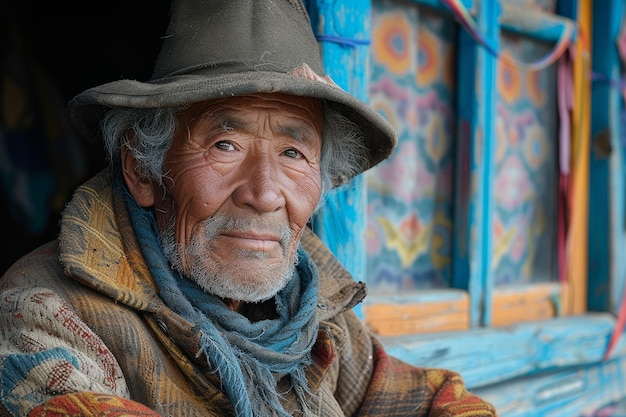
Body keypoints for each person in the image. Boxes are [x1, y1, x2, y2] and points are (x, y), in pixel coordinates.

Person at [0, 1, 498, 416]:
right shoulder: (42, 312)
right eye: (225, 145)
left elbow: (419, 398)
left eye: (293, 153)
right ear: (143, 171)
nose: (263, 193)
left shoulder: (308, 308)